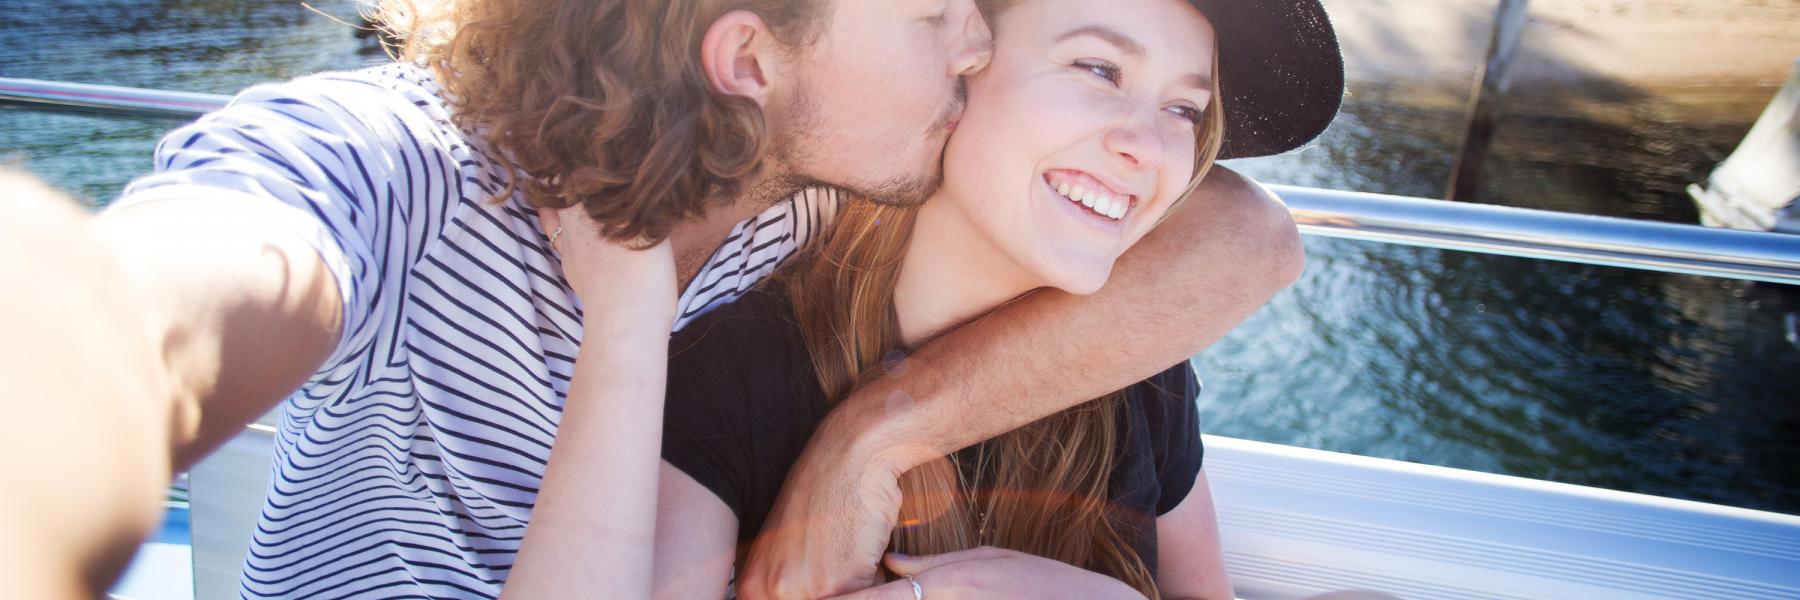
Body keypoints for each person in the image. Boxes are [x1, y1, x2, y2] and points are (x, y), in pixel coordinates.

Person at [0, 0, 1327, 598]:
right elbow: (175, 292)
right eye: (936, 16)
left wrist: (885, 430)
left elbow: (1241, 239)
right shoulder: (402, 166)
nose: (975, 44)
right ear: (750, 54)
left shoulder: (826, 195)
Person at [646, 0, 1341, 598]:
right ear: (957, 70)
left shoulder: (1136, 360)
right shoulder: (726, 378)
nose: (1148, 147)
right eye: (1099, 69)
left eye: (1185, 109)